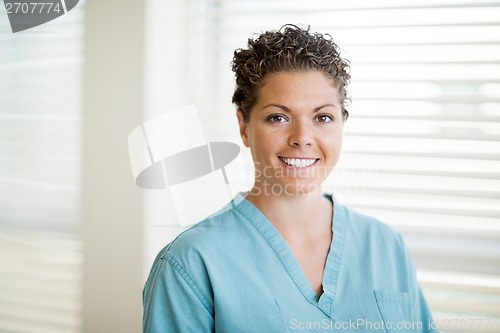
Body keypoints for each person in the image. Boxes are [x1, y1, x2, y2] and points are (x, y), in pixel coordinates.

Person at [142, 25, 437, 332]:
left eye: (322, 117)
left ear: (341, 124)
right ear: (244, 127)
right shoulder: (190, 264)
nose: (303, 138)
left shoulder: (387, 247)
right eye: (278, 117)